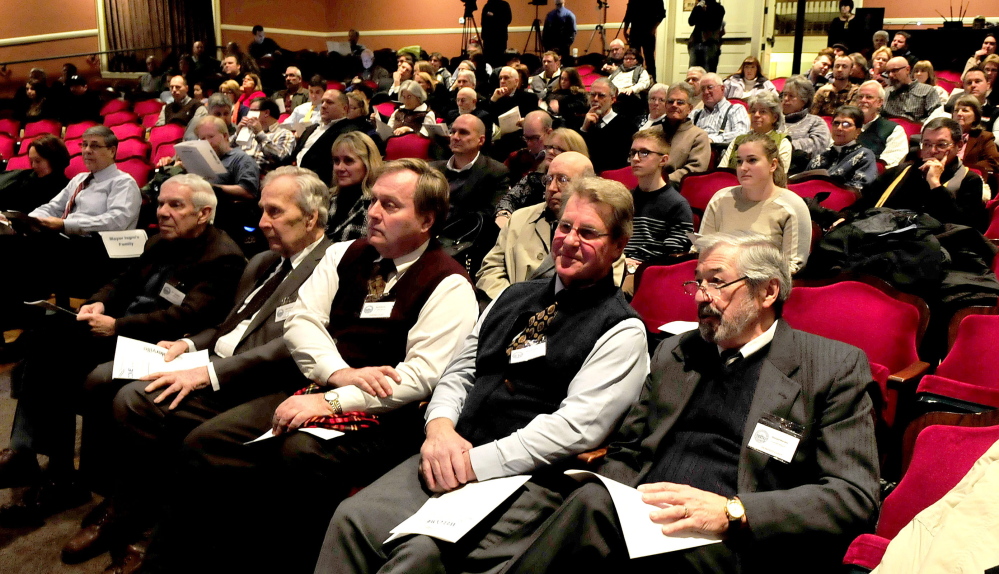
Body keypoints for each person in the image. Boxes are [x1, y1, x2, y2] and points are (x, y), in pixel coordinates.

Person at [141, 158, 479, 574]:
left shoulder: (449, 283)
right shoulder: (346, 253)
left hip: (386, 416)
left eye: (390, 206)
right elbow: (301, 320)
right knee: (206, 443)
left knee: (300, 453)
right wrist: (336, 374)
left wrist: (334, 401)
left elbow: (419, 379)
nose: (373, 212)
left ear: (426, 220)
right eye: (374, 201)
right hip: (319, 388)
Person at [317, 175, 649, 574]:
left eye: (589, 232)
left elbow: (577, 428)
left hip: (526, 475)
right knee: (353, 518)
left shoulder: (621, 329)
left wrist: (473, 462)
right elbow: (460, 371)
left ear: (617, 246)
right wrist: (439, 429)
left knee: (419, 554)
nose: (570, 240)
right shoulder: (513, 296)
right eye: (564, 226)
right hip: (449, 448)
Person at [497, 231, 880, 574]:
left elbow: (853, 495)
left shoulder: (831, 367)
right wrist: (617, 496)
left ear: (768, 292)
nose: (700, 296)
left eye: (716, 282)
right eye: (697, 283)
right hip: (643, 517)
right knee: (589, 502)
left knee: (590, 510)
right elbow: (629, 450)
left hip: (735, 541)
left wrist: (734, 511)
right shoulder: (676, 352)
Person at [60, 167, 333, 572]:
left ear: (311, 218)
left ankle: (136, 521)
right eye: (261, 211)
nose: (261, 223)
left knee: (136, 400)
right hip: (210, 357)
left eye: (274, 212)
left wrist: (207, 370)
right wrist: (188, 345)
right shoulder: (263, 260)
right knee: (102, 376)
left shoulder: (330, 265)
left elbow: (289, 347)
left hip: (259, 381)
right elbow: (229, 326)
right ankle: (120, 504)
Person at [0, 174, 244, 527]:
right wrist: (99, 304)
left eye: (176, 205)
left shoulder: (223, 257)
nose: (163, 211)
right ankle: (33, 455)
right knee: (45, 337)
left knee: (57, 357)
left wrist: (118, 326)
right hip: (123, 328)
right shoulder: (160, 241)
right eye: (161, 203)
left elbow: (187, 316)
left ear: (204, 213)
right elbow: (122, 281)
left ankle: (57, 472)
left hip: (162, 344)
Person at [478, 151, 603, 300]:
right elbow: (490, 269)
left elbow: (609, 279)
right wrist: (512, 303)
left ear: (586, 184)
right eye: (549, 179)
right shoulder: (519, 218)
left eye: (562, 179)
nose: (551, 188)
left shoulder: (599, 226)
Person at [701, 133, 812, 274]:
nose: (743, 168)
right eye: (739, 161)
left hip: (764, 286)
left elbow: (792, 267)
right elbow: (703, 249)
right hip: (717, 279)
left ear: (773, 165)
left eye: (752, 160)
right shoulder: (721, 198)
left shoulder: (792, 206)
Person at [856, 117, 987, 232]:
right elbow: (865, 204)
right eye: (926, 144)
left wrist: (935, 185)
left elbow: (964, 227)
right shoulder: (900, 171)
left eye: (941, 145)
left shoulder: (970, 180)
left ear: (959, 145)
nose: (932, 151)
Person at [624, 128, 695, 271]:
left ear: (663, 160)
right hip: (621, 265)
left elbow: (674, 255)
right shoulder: (625, 199)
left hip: (649, 272)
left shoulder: (677, 204)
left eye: (644, 152)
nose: (636, 159)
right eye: (633, 153)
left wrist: (639, 267)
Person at [431, 114, 510, 230]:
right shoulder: (432, 168)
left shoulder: (496, 172)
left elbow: (488, 215)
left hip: (463, 238)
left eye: (463, 132)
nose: (455, 137)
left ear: (481, 140)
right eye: (453, 132)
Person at [495, 127, 588, 223]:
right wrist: (504, 213)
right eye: (549, 147)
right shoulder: (533, 179)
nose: (551, 151)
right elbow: (509, 199)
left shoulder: (581, 183)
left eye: (559, 149)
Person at [294, 89, 361, 187]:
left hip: (314, 184)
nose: (323, 106)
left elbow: (329, 167)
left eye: (329, 102)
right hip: (293, 176)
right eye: (322, 102)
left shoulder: (348, 132)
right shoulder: (311, 128)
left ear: (345, 109)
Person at [652, 82, 712, 186]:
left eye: (680, 102)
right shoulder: (652, 131)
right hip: (648, 182)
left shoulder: (698, 136)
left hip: (675, 187)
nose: (674, 105)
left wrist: (663, 180)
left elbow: (695, 169)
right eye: (670, 101)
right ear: (665, 105)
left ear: (689, 109)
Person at [806, 105, 879, 190]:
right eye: (836, 123)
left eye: (846, 124)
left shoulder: (864, 155)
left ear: (858, 131)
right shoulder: (821, 157)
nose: (839, 128)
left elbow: (858, 189)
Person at [327, 132, 383, 242]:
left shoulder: (376, 204)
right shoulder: (328, 199)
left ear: (367, 163)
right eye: (336, 161)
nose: (340, 168)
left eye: (348, 160)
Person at [719, 92, 792, 172]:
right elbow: (722, 172)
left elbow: (780, 177)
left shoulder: (783, 142)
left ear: (774, 117)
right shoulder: (738, 140)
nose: (756, 115)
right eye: (753, 111)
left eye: (763, 112)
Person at [0, 134, 70, 214]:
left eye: (38, 161)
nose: (33, 166)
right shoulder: (24, 179)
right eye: (31, 161)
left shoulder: (66, 188)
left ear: (54, 160)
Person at [581, 78, 639, 173]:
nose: (595, 99)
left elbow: (616, 160)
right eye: (592, 94)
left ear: (613, 99)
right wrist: (584, 129)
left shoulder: (627, 127)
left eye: (601, 96)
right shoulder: (582, 122)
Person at [232, 97, 296, 174]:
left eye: (254, 111)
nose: (249, 115)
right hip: (239, 172)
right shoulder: (248, 132)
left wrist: (259, 134)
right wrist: (237, 134)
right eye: (250, 111)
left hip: (265, 176)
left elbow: (281, 157)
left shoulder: (285, 134)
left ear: (266, 113)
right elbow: (227, 153)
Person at [854, 79, 909, 168]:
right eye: (860, 97)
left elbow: (889, 163)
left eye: (869, 97)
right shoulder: (845, 125)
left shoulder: (894, 130)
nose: (863, 100)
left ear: (880, 102)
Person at [782, 75, 832, 172]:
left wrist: (786, 146)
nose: (786, 99)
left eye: (791, 96)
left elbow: (819, 145)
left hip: (800, 171)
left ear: (804, 101)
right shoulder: (774, 120)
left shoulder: (815, 122)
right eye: (784, 95)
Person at [691, 73, 751, 151]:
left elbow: (742, 134)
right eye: (702, 89)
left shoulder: (736, 109)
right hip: (695, 155)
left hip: (722, 158)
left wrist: (712, 140)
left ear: (722, 89)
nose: (706, 92)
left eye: (710, 87)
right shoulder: (695, 114)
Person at [953, 95, 999, 190]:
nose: (959, 114)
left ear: (976, 116)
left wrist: (964, 168)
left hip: (970, 182)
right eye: (956, 110)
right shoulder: (945, 135)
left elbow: (994, 162)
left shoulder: (984, 137)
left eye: (965, 110)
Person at [155, 75, 208, 141]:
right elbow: (159, 129)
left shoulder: (198, 106)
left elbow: (194, 133)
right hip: (167, 142)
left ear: (186, 88)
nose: (174, 90)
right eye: (171, 87)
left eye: (178, 87)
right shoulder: (166, 108)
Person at [623, 0, 666, 80]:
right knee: (635, 56)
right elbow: (628, 14)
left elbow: (661, 15)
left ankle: (652, 80)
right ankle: (635, 79)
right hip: (635, 31)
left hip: (648, 31)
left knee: (649, 58)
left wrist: (653, 29)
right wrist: (625, 29)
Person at [688, 0, 725, 73]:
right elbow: (691, 21)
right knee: (693, 71)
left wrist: (702, 12)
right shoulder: (699, 7)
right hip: (696, 43)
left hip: (710, 44)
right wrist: (698, 7)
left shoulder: (718, 8)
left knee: (708, 72)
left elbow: (712, 25)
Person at [481, 0, 513, 66]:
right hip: (488, 37)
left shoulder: (504, 5)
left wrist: (494, 16)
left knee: (500, 57)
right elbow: (483, 22)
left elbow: (508, 19)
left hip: (499, 36)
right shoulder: (487, 5)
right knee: (488, 58)